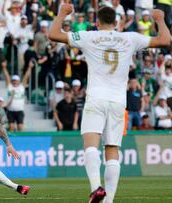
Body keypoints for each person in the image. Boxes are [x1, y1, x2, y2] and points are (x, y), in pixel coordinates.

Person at [48, 3, 170, 203]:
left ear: (96, 22)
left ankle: (96, 188)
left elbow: (53, 34)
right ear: (117, 22)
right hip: (117, 102)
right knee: (112, 149)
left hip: (96, 98)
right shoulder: (130, 38)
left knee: (90, 145)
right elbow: (166, 40)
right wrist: (159, 19)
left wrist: (62, 13)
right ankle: (109, 200)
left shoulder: (89, 36)